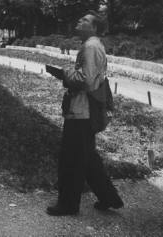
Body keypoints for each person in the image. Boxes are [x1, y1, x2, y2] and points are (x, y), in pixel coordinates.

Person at [46, 11, 123, 216]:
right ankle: (109, 198)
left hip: (81, 112)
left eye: (85, 20)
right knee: (87, 158)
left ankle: (68, 205)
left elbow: (87, 81)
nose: (79, 21)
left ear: (95, 28)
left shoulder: (90, 46)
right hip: (84, 112)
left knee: (71, 159)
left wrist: (64, 73)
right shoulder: (93, 45)